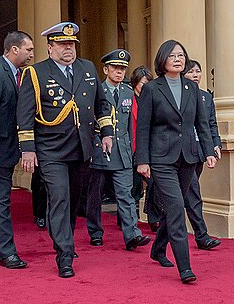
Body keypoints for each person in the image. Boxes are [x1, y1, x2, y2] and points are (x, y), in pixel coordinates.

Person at [17, 22, 113, 278]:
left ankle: (64, 240)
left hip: (81, 148)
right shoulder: (35, 73)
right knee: (59, 197)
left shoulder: (87, 68)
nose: (68, 48)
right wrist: (28, 149)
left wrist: (107, 132)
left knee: (73, 200)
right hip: (51, 150)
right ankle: (65, 255)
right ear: (50, 48)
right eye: (62, 44)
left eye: (71, 44)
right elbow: (24, 114)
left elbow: (101, 103)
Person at [135, 40, 216, 283]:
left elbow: (201, 124)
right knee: (176, 208)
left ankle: (158, 248)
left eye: (181, 55)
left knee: (174, 208)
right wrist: (142, 160)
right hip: (161, 158)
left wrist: (209, 151)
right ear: (162, 60)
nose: (178, 59)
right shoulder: (152, 89)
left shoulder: (192, 88)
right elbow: (143, 127)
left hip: (188, 157)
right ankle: (185, 268)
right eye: (172, 56)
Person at [0, 31, 36, 270]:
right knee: (0, 201)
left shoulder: (19, 73)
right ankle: (7, 253)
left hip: (9, 147)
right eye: (28, 49)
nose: (31, 54)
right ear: (14, 49)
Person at [86, 50, 151, 251]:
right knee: (95, 196)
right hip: (99, 151)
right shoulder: (95, 90)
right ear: (105, 69)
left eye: (122, 68)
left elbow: (132, 125)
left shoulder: (128, 92)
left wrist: (134, 151)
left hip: (122, 153)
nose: (119, 72)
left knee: (126, 195)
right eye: (115, 68)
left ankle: (132, 235)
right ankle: (95, 232)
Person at [182, 60, 222, 250]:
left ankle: (163, 226)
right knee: (192, 192)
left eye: (198, 71)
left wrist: (215, 145)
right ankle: (202, 235)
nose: (195, 75)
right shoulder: (179, 95)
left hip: (200, 151)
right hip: (181, 151)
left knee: (186, 192)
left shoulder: (206, 97)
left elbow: (211, 124)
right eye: (191, 72)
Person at [129, 67, 153, 218]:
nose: (145, 86)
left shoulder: (152, 98)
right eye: (142, 83)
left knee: (153, 183)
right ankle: (129, 218)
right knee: (133, 185)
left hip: (149, 147)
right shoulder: (128, 97)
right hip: (131, 147)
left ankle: (152, 216)